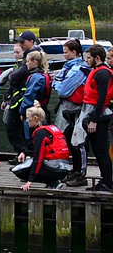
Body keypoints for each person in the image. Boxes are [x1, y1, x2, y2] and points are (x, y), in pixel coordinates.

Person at [69, 44, 113, 191]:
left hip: (98, 115)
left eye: (89, 58)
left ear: (97, 58)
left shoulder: (103, 73)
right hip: (91, 112)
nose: (86, 60)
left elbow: (101, 98)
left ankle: (108, 182)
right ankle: (105, 180)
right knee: (97, 149)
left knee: (101, 150)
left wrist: (94, 119)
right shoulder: (96, 71)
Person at [51, 40, 90, 184]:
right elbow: (54, 82)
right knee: (67, 139)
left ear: (74, 52)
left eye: (66, 51)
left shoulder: (79, 69)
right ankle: (75, 170)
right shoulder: (67, 68)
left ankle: (80, 174)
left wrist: (58, 83)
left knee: (78, 142)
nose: (64, 54)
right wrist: (57, 83)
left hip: (77, 110)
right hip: (67, 109)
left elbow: (62, 90)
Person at [13, 101, 70, 191]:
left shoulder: (40, 133)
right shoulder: (50, 129)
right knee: (28, 161)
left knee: (18, 171)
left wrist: (29, 181)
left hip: (56, 168)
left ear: (35, 118)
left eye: (28, 118)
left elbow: (38, 158)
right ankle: (53, 181)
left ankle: (52, 182)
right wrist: (25, 152)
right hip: (63, 167)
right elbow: (43, 151)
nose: (27, 120)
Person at [4, 30, 41, 161]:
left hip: (25, 102)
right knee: (15, 130)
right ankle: (22, 153)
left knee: (23, 130)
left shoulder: (34, 56)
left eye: (22, 42)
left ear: (31, 42)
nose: (20, 44)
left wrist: (12, 77)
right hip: (17, 99)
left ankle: (26, 155)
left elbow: (15, 76)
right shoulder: (24, 58)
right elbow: (13, 78)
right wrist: (6, 97)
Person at [19, 51, 52, 148]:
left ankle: (31, 157)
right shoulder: (45, 75)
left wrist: (22, 112)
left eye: (28, 61)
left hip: (33, 112)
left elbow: (29, 96)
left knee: (30, 138)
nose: (26, 63)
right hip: (43, 110)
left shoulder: (36, 77)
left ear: (35, 62)